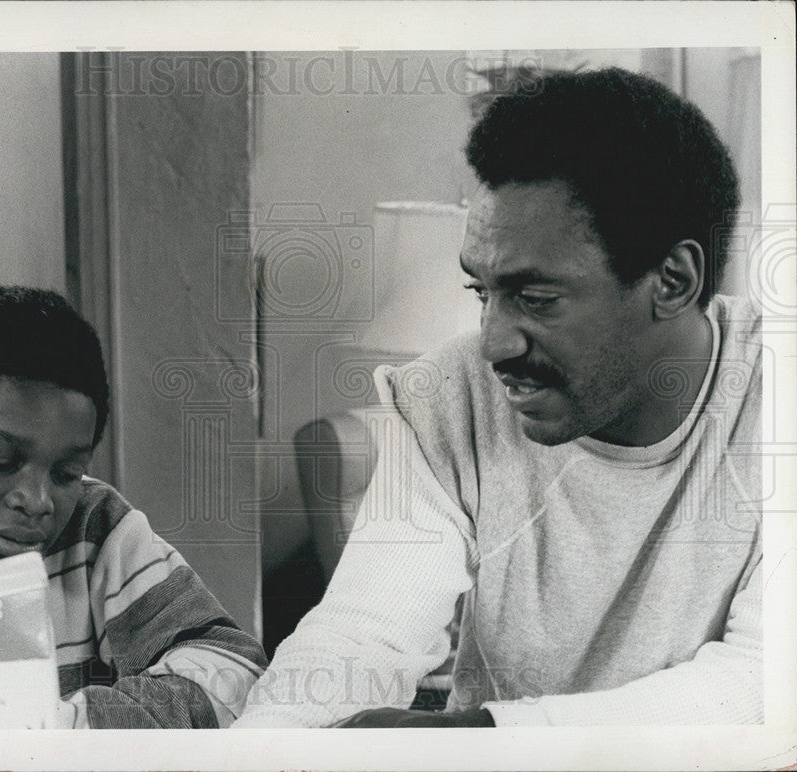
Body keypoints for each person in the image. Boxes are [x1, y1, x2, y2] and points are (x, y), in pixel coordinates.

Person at [234, 67, 761, 727]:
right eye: (481, 292)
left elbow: (763, 679)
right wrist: (267, 744)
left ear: (672, 281)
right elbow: (362, 632)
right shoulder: (448, 396)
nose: (492, 346)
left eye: (536, 298)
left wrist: (480, 739)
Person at [0, 285, 268, 729]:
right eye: (0, 462)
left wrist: (59, 728)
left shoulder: (94, 531)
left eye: (64, 473)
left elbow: (234, 672)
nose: (38, 502)